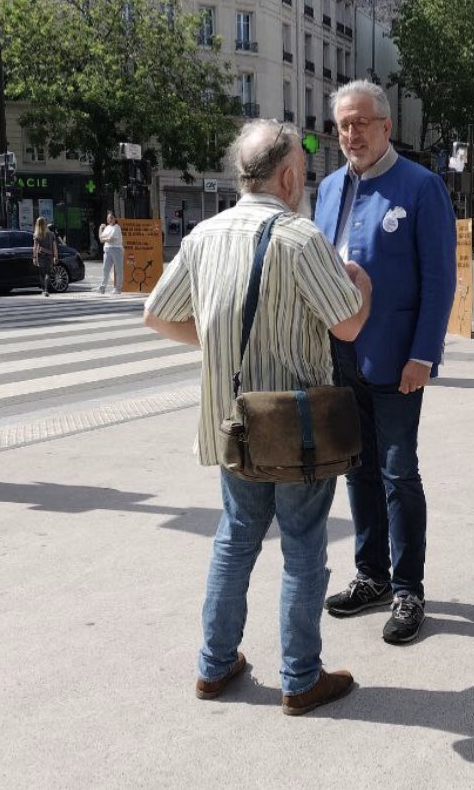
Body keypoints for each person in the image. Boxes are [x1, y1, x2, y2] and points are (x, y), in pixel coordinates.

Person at [143, 120, 372, 715]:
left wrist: (220, 345)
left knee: (236, 537)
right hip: (297, 427)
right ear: (289, 176)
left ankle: (214, 665)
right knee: (303, 546)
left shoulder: (203, 235)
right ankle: (300, 678)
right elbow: (349, 324)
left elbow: (157, 315)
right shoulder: (301, 237)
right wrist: (362, 283)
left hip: (235, 424)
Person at [314, 80, 457, 645]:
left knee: (398, 472)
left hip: (398, 358)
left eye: (361, 123)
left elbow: (440, 280)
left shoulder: (421, 186)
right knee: (358, 468)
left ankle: (408, 589)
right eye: (343, 125)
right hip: (340, 353)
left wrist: (424, 354)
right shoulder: (328, 188)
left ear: (386, 126)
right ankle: (371, 574)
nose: (352, 134)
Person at [98, 210, 124, 294]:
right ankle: (102, 287)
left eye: (111, 218)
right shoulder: (107, 228)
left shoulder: (117, 227)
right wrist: (100, 228)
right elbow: (101, 239)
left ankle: (118, 288)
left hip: (116, 249)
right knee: (105, 269)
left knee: (118, 270)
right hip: (107, 249)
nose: (110, 219)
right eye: (108, 218)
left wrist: (104, 239)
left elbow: (111, 239)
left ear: (115, 218)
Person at [33, 215, 59, 297]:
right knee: (48, 273)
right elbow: (55, 247)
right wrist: (56, 257)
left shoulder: (37, 235)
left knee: (42, 274)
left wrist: (34, 257)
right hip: (49, 255)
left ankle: (44, 290)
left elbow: (35, 247)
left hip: (41, 255)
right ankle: (47, 289)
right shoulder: (51, 234)